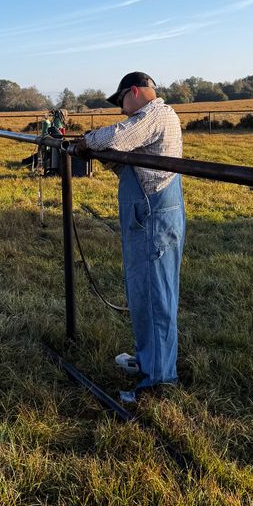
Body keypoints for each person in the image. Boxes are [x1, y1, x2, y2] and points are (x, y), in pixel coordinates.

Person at [75, 72, 185, 404]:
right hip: (146, 216)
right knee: (143, 290)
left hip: (153, 217)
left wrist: (85, 142)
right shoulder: (153, 118)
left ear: (134, 92)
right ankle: (150, 360)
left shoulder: (155, 113)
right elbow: (125, 155)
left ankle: (159, 381)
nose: (122, 110)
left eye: (121, 101)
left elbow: (120, 137)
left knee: (155, 293)